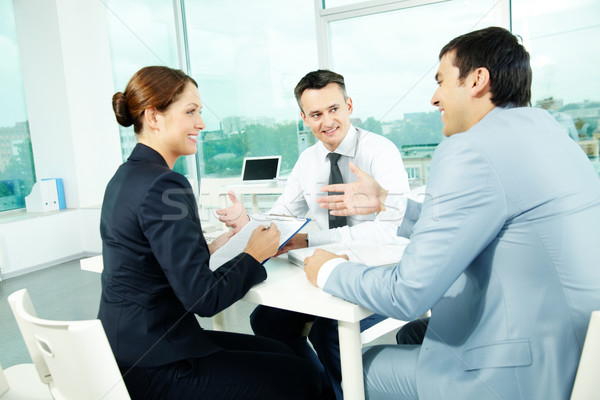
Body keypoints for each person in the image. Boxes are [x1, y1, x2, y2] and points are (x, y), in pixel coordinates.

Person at [305, 26, 600, 399]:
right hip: (579, 344)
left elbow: (406, 294)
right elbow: (485, 217)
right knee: (413, 333)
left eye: (442, 81)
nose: (434, 97)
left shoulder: (469, 149)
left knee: (362, 365)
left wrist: (329, 269)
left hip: (527, 370)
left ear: (477, 80)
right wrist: (387, 204)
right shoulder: (551, 133)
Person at [98, 66, 327, 400]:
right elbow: (204, 299)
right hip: (158, 363)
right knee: (302, 376)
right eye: (190, 112)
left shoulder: (125, 177)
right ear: (154, 117)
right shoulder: (166, 183)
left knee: (285, 353)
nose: (201, 123)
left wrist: (228, 240)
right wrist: (254, 253)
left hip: (128, 350)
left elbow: (162, 259)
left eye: (200, 112)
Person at [216, 69, 410, 399]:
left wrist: (311, 240)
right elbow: (282, 215)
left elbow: (391, 230)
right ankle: (319, 390)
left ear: (349, 105)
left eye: (334, 109)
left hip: (380, 270)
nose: (327, 121)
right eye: (316, 114)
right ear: (304, 118)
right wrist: (247, 220)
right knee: (267, 323)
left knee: (329, 331)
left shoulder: (380, 152)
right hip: (325, 268)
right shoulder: (308, 160)